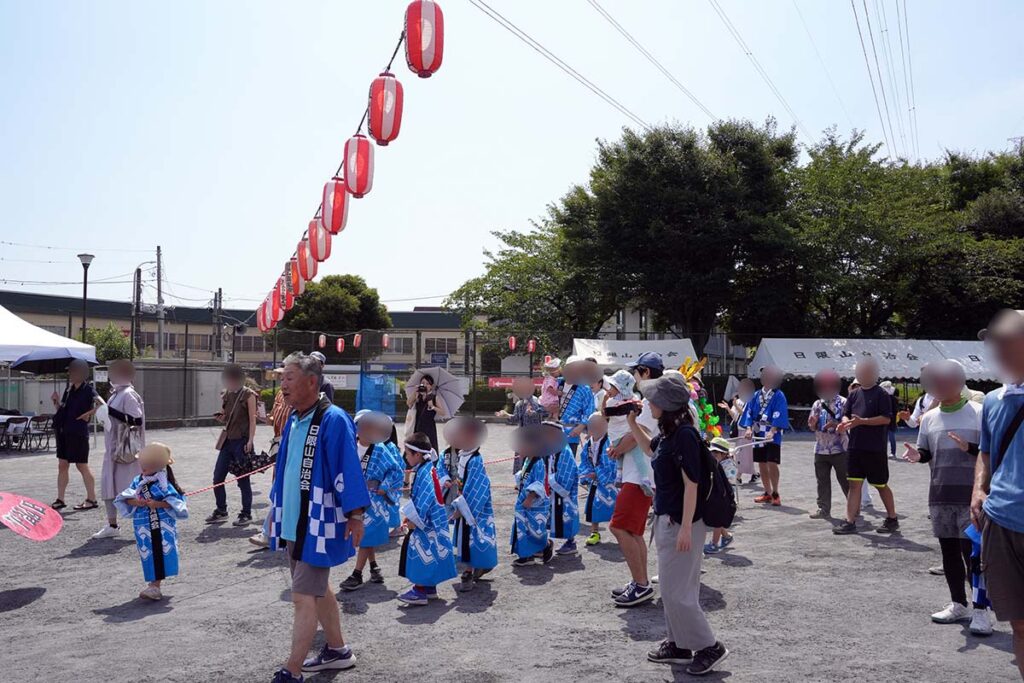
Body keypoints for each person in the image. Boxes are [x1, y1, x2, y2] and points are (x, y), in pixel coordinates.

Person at [268, 352, 369, 682]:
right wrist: (274, 510)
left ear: (312, 381)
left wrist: (355, 513)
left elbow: (347, 468)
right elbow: (285, 470)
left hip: (317, 521)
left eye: (290, 378)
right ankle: (338, 650)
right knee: (318, 589)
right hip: (294, 520)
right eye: (282, 378)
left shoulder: (333, 418)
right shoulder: (296, 417)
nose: (283, 385)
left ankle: (292, 669)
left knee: (303, 596)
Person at [629, 372, 730, 675]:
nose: (648, 402)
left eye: (652, 399)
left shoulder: (684, 434)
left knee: (679, 593)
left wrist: (687, 526)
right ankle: (679, 644)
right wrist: (632, 423)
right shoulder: (672, 431)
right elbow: (650, 449)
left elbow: (692, 484)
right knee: (673, 589)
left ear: (665, 404)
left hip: (681, 521)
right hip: (668, 518)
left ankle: (710, 646)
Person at [902, 359, 993, 635]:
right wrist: (919, 456)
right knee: (949, 554)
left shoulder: (979, 412)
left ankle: (982, 611)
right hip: (940, 495)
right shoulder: (928, 418)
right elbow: (926, 452)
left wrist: (970, 448)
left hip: (973, 497)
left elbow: (990, 453)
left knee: (974, 555)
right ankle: (959, 604)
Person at [972, 309, 1024, 677]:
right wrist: (978, 488)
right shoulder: (993, 400)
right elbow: (986, 451)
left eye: (1009, 341)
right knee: (1019, 625)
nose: (1000, 350)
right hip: (1002, 521)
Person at [608, 352, 663, 608]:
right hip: (641, 474)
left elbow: (640, 434)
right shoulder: (653, 398)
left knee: (619, 527)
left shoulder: (654, 400)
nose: (634, 376)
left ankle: (640, 584)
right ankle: (640, 582)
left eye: (636, 371)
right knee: (633, 530)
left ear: (646, 372)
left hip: (640, 476)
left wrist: (618, 447)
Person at [113, 442, 187, 601]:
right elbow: (125, 498)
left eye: (146, 466)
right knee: (147, 553)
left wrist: (158, 504)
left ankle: (155, 586)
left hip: (160, 525)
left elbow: (177, 502)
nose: (142, 469)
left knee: (159, 552)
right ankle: (153, 585)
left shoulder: (164, 484)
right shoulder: (137, 480)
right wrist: (136, 502)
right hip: (143, 526)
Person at [339, 411, 403, 592]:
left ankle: (356, 574)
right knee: (367, 536)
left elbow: (396, 471)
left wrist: (385, 485)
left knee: (366, 536)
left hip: (374, 500)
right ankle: (374, 568)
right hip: (354, 497)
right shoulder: (350, 446)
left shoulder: (381, 449)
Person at [834, 358, 899, 535]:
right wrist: (845, 424)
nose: (863, 375)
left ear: (875, 374)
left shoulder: (882, 395)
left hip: (874, 448)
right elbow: (845, 415)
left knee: (880, 484)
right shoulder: (854, 394)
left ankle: (892, 518)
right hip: (855, 447)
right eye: (860, 372)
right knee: (854, 484)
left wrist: (862, 422)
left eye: (867, 372)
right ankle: (850, 521)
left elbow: (886, 419)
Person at [396, 432, 458, 605]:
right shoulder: (427, 468)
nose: (406, 457)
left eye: (407, 453)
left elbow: (426, 497)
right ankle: (429, 588)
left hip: (426, 522)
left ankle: (420, 590)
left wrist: (415, 519)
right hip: (433, 521)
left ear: (417, 454)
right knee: (430, 552)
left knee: (420, 553)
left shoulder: (425, 472)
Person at [93, 359, 145, 539]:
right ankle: (112, 524)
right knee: (110, 486)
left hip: (126, 450)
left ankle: (143, 523)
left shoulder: (128, 394)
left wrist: (109, 411)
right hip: (115, 449)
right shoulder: (116, 393)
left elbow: (136, 420)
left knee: (129, 487)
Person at [448, 418, 498, 591]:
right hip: (465, 504)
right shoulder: (464, 456)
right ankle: (477, 567)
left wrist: (461, 509)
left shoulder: (475, 460)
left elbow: (477, 488)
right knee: (470, 540)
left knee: (474, 538)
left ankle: (469, 572)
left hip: (474, 508)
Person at [207, 364, 258, 526]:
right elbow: (226, 416)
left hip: (242, 441)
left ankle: (246, 513)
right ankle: (221, 510)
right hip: (227, 441)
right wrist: (221, 417)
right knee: (217, 478)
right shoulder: (227, 394)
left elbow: (253, 419)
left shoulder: (249, 395)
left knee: (243, 480)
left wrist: (250, 440)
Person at [50, 358, 103, 511]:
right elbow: (64, 410)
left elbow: (102, 404)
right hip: (64, 431)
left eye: (73, 371)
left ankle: (91, 499)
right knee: (62, 465)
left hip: (78, 432)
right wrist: (56, 402)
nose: (70, 374)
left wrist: (89, 413)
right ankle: (60, 499)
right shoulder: (69, 389)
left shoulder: (89, 389)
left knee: (81, 465)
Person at [739, 365, 789, 506]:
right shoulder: (755, 395)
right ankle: (767, 492)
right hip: (757, 432)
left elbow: (780, 414)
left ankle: (775, 492)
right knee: (761, 462)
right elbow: (748, 412)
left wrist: (772, 430)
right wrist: (748, 428)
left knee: (771, 462)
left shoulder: (779, 395)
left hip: (771, 433)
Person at [251, 368, 289, 548]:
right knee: (278, 488)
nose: (283, 380)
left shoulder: (302, 397)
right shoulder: (281, 395)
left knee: (280, 488)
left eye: (287, 376)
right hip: (279, 444)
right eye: (282, 376)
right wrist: (266, 418)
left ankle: (270, 532)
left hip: (290, 446)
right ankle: (273, 532)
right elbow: (274, 418)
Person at [806, 369, 849, 520]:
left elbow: (848, 424)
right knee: (822, 481)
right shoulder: (817, 404)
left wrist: (836, 424)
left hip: (840, 448)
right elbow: (812, 425)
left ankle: (853, 509)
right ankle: (823, 508)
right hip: (820, 448)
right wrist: (812, 424)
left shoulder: (844, 402)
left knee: (845, 480)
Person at [510, 424, 554, 566]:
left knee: (534, 529)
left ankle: (545, 546)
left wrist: (530, 497)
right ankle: (526, 555)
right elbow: (525, 477)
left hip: (534, 504)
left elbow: (538, 483)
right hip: (524, 501)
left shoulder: (538, 463)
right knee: (523, 528)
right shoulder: (528, 461)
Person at [579, 412, 617, 546]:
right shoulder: (589, 443)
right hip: (595, 481)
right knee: (592, 506)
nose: (594, 428)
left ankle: (621, 532)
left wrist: (598, 473)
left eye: (598, 425)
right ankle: (594, 532)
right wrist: (586, 474)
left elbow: (612, 463)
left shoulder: (609, 442)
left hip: (610, 483)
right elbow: (584, 460)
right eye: (592, 426)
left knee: (615, 508)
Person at [496, 376, 547, 474]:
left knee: (534, 460)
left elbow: (546, 414)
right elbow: (515, 418)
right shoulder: (520, 404)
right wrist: (505, 415)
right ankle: (521, 479)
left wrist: (535, 413)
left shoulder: (538, 401)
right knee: (522, 459)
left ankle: (533, 479)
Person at [544, 420, 580, 556]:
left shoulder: (563, 450)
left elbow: (568, 471)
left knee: (566, 514)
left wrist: (554, 483)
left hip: (564, 491)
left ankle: (571, 542)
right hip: (554, 488)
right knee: (553, 515)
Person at [718, 378, 756, 484]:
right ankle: (753, 473)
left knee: (744, 453)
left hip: (746, 430)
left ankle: (740, 475)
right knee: (740, 453)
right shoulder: (738, 401)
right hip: (739, 429)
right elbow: (735, 417)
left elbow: (746, 415)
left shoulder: (750, 401)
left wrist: (735, 405)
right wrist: (728, 408)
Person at [558, 356, 597, 455]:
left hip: (571, 432)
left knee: (568, 464)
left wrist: (581, 427)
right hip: (553, 430)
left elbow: (589, 409)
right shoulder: (557, 383)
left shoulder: (584, 388)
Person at [704, 437, 736, 554]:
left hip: (725, 497)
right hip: (715, 495)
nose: (713, 454)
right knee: (716, 518)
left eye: (716, 452)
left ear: (724, 454)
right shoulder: (714, 464)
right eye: (712, 452)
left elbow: (728, 479)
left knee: (717, 521)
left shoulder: (728, 465)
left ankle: (714, 544)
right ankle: (726, 536)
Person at [406, 374, 448, 451]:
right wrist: (415, 392)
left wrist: (432, 406)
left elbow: (442, 412)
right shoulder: (418, 395)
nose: (425, 385)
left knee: (429, 447)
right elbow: (408, 403)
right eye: (423, 383)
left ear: (431, 386)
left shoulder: (434, 397)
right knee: (416, 447)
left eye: (427, 383)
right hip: (418, 425)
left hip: (429, 427)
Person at [880, 380, 899, 459]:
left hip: (890, 421)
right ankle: (885, 452)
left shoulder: (892, 399)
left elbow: (895, 410)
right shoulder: (883, 398)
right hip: (886, 421)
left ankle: (892, 453)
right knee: (885, 438)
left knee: (890, 438)